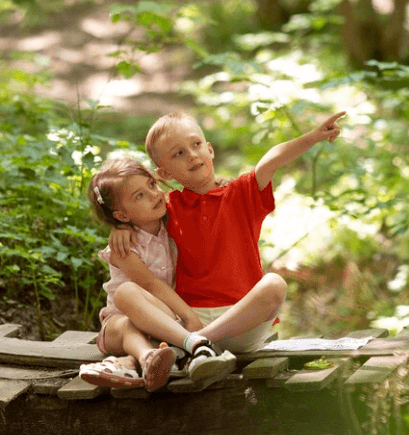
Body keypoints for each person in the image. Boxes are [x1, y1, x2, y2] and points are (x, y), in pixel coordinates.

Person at [109, 109, 345, 374]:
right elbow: (136, 211)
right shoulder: (169, 206)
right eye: (179, 153)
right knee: (126, 292)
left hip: (241, 322)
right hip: (189, 319)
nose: (192, 155)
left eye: (196, 144)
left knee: (275, 284)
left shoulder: (242, 193)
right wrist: (121, 227)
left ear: (209, 149)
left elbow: (270, 161)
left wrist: (312, 137)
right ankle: (194, 346)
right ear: (164, 173)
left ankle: (192, 346)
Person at [78, 156, 236, 392]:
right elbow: (150, 284)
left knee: (149, 330)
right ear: (122, 215)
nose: (154, 195)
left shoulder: (173, 219)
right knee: (126, 295)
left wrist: (217, 185)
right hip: (120, 324)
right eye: (139, 196)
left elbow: (201, 202)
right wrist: (189, 315)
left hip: (164, 319)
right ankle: (163, 352)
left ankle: (135, 362)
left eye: (152, 185)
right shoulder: (124, 248)